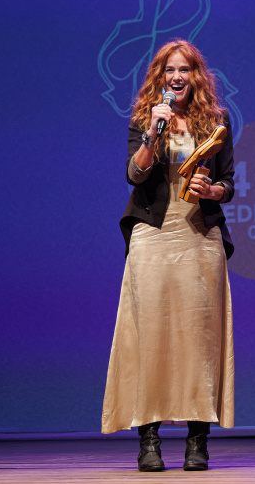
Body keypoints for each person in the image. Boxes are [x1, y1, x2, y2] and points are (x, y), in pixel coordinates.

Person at [101, 39, 235, 472]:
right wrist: (153, 135)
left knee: (200, 335)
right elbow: (134, 173)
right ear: (158, 78)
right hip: (153, 235)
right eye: (168, 71)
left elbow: (228, 182)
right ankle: (150, 441)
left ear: (196, 76)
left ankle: (198, 441)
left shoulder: (217, 121)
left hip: (199, 235)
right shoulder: (145, 119)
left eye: (184, 70)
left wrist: (213, 190)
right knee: (151, 335)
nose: (176, 77)